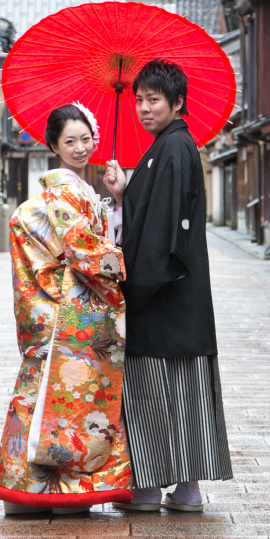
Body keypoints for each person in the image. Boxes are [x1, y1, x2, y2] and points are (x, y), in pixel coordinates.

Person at [103, 59, 233, 512]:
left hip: (161, 295)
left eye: (153, 99)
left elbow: (159, 230)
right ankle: (188, 489)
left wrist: (131, 288)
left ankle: (147, 489)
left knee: (153, 393)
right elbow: (153, 211)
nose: (142, 108)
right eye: (138, 100)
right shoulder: (170, 147)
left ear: (177, 102)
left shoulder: (173, 149)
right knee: (186, 395)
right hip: (182, 299)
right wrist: (125, 192)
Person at [0, 103, 132, 516]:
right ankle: (68, 489)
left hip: (56, 310)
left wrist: (114, 201)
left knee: (40, 396)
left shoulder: (78, 192)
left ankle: (26, 489)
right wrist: (125, 262)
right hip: (71, 313)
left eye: (85, 138)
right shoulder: (65, 193)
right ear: (53, 146)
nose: (79, 147)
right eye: (69, 141)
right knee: (74, 400)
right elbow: (83, 251)